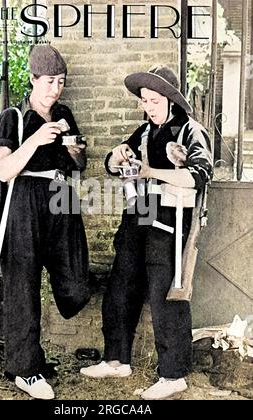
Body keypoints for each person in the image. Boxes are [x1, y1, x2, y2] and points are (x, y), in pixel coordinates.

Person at [80, 66, 213, 400]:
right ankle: (116, 359)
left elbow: (198, 176)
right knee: (120, 287)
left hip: (169, 221)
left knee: (165, 296)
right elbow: (112, 166)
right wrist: (116, 156)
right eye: (144, 101)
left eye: (154, 101)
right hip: (137, 216)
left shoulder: (190, 132)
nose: (148, 107)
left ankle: (173, 375)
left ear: (169, 99)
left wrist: (152, 170)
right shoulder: (142, 132)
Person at [0, 45, 90, 399]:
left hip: (61, 198)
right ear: (33, 79)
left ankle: (34, 358)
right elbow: (4, 170)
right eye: (49, 81)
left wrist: (76, 153)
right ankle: (26, 369)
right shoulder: (13, 117)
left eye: (61, 82)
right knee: (23, 286)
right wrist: (34, 139)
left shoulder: (64, 113)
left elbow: (79, 166)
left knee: (77, 282)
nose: (55, 89)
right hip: (25, 201)